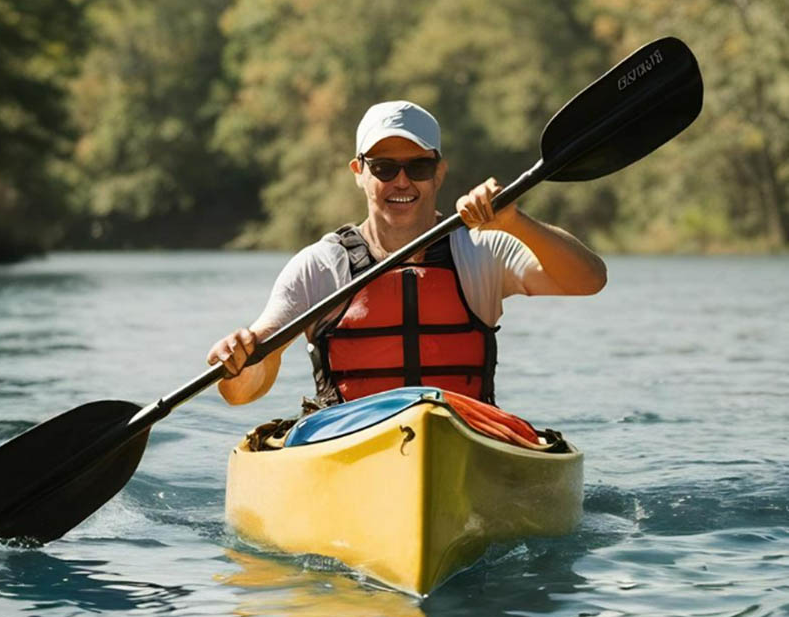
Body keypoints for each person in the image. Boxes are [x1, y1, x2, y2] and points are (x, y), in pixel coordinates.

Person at [207, 100, 607, 409]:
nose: (401, 181)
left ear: (439, 172)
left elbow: (590, 280)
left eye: (417, 166)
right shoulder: (319, 266)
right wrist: (236, 361)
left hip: (461, 433)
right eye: (383, 167)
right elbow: (243, 391)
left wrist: (515, 221)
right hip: (347, 442)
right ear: (358, 173)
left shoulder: (480, 248)